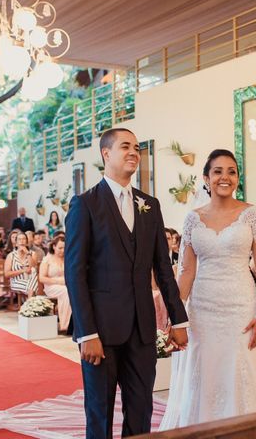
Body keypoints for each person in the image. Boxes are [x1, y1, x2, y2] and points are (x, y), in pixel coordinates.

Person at [65, 127, 188, 438]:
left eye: (137, 147)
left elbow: (163, 266)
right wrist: (86, 333)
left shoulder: (150, 205)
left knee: (141, 408)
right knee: (99, 410)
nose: (134, 152)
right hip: (101, 331)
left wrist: (178, 319)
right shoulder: (86, 204)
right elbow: (75, 273)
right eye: (125, 147)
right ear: (106, 154)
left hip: (143, 330)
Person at [160, 149, 256, 429]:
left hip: (241, 305)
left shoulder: (252, 215)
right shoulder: (192, 219)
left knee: (241, 367)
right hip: (202, 308)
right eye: (218, 171)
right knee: (205, 370)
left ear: (237, 178)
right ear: (206, 179)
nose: (225, 177)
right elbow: (186, 271)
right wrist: (177, 316)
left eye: (231, 171)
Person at [39, 235, 71, 332]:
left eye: (65, 248)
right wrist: (58, 281)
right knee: (65, 292)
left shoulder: (68, 258)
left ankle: (73, 324)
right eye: (60, 248)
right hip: (51, 286)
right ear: (54, 246)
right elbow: (42, 278)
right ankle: (64, 325)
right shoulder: (47, 259)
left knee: (74, 290)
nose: (62, 250)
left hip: (67, 284)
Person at [5, 232, 38, 298]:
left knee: (33, 272)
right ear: (16, 243)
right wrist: (23, 270)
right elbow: (7, 274)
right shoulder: (11, 256)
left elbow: (33, 267)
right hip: (16, 281)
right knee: (34, 287)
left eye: (24, 239)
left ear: (27, 242)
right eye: (19, 239)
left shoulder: (33, 254)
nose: (22, 241)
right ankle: (30, 304)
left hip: (31, 280)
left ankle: (29, 304)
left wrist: (27, 253)